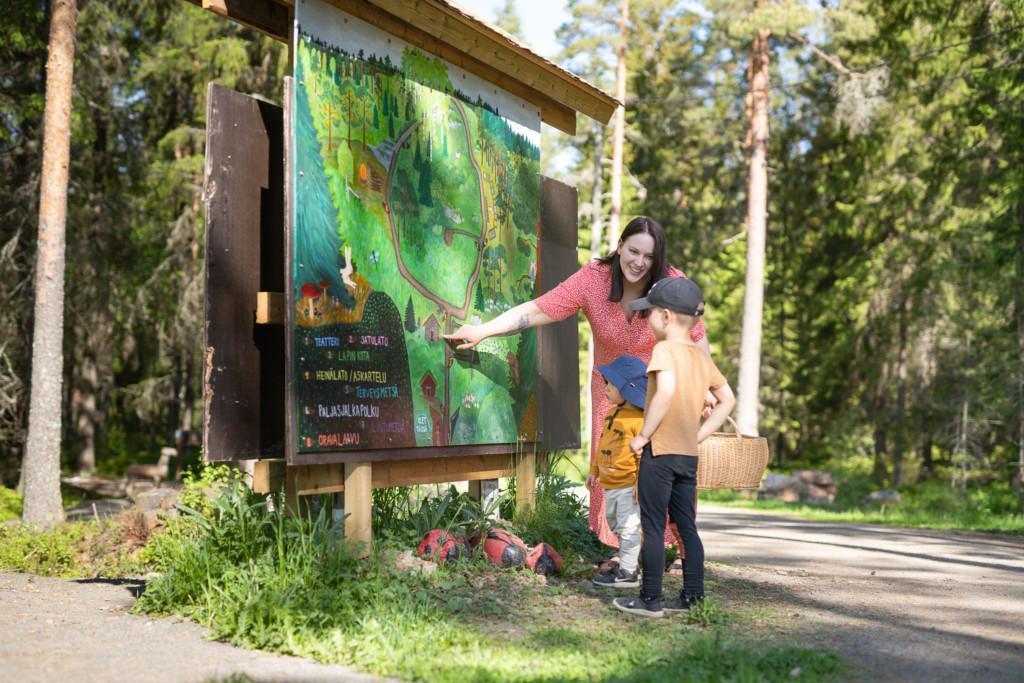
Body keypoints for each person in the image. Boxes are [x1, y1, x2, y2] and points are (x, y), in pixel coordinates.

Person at [444, 216, 710, 553]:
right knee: (615, 469)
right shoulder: (594, 280)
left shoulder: (671, 284)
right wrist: (482, 330)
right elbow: (541, 309)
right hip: (611, 395)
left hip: (661, 392)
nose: (639, 263)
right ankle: (622, 554)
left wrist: (708, 388)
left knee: (661, 471)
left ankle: (675, 549)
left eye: (649, 257)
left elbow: (696, 339)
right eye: (633, 251)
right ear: (619, 246)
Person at [612, 277, 735, 619]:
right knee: (685, 526)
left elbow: (664, 393)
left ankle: (650, 598)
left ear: (665, 317)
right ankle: (693, 596)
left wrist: (643, 436)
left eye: (648, 313)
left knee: (653, 526)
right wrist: (699, 435)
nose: (646, 319)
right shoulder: (699, 356)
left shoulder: (664, 350)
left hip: (661, 453)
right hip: (687, 456)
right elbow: (727, 400)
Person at [587, 355, 649, 589]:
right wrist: (594, 471)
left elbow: (643, 457)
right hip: (610, 485)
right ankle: (629, 562)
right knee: (615, 524)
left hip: (627, 485)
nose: (606, 389)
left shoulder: (639, 421)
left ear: (629, 389)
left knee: (629, 527)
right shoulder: (611, 415)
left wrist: (639, 486)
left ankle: (628, 572)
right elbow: (603, 444)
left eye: (611, 385)